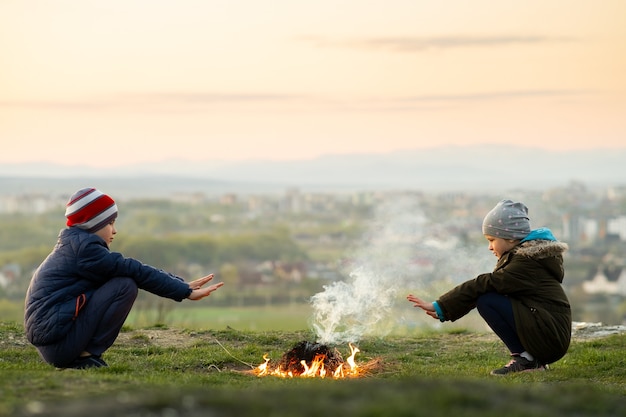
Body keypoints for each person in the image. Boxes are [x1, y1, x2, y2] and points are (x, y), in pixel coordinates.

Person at [24, 187, 224, 370]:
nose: (115, 230)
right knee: (124, 285)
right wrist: (185, 291)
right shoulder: (85, 250)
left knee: (122, 280)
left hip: (54, 341)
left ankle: (83, 356)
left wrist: (181, 285)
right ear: (94, 223)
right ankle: (84, 358)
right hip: (59, 346)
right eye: (110, 223)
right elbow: (134, 269)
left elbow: (131, 269)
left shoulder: (75, 246)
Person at [407, 199, 571, 376]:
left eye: (492, 240)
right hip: (549, 333)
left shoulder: (526, 263)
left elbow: (485, 283)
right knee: (489, 296)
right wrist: (444, 308)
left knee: (488, 301)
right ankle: (530, 359)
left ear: (509, 237)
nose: (489, 246)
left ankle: (527, 360)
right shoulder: (527, 258)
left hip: (550, 337)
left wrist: (441, 306)